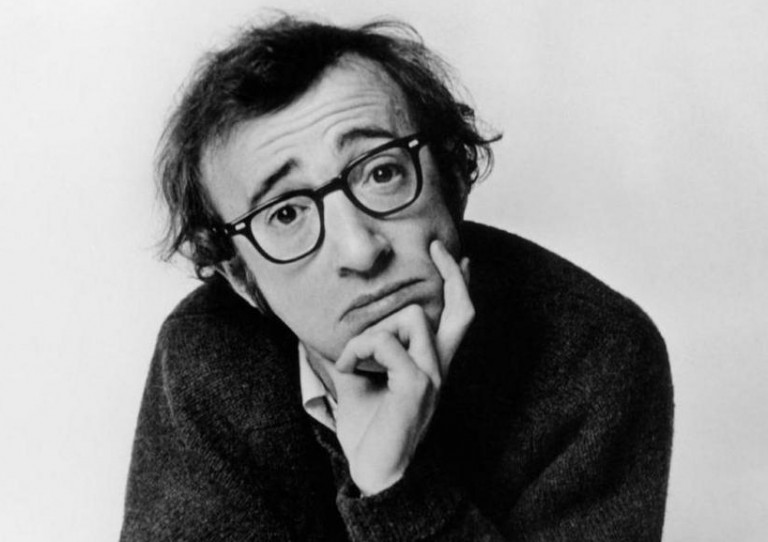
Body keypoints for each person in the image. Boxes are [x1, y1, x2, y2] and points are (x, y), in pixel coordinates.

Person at [121, 15, 674, 542]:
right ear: (242, 278)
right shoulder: (209, 355)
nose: (361, 251)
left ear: (454, 176)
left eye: (381, 172)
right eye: (286, 213)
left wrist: (394, 487)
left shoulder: (595, 353)